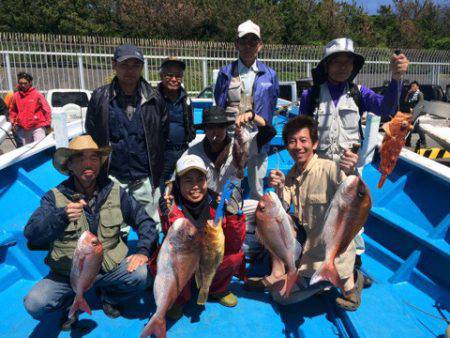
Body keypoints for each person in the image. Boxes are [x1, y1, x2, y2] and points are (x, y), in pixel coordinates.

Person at [299, 38, 409, 278]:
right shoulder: (312, 95)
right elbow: (301, 133)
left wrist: (397, 78)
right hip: (319, 169)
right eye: (336, 62)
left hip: (350, 173)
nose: (342, 67)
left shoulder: (360, 93)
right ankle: (318, 267)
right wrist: (305, 164)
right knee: (318, 217)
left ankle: (352, 270)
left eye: (347, 62)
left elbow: (386, 107)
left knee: (352, 222)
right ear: (326, 66)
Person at [23, 135, 158, 330]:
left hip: (109, 268)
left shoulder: (115, 191)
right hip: (68, 275)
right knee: (35, 303)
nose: (88, 163)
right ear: (69, 165)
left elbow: (145, 222)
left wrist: (143, 251)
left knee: (143, 275)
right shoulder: (54, 197)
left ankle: (109, 295)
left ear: (101, 163)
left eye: (94, 158)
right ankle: (71, 303)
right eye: (79, 158)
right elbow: (32, 233)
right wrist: (60, 217)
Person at [245, 115, 363, 310]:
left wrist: (352, 171)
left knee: (280, 296)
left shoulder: (330, 168)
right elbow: (282, 208)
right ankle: (296, 276)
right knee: (270, 223)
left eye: (303, 140)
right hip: (310, 250)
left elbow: (354, 192)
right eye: (291, 141)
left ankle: (348, 278)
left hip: (332, 257)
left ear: (315, 144)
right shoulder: (292, 175)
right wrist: (281, 187)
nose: (297, 146)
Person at [85, 44, 168, 232]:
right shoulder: (100, 97)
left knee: (151, 227)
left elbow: (162, 136)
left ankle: (150, 259)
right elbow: (91, 133)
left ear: (142, 67)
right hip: (113, 177)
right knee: (113, 228)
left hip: (145, 178)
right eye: (125, 65)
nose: (130, 70)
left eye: (135, 65)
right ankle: (118, 261)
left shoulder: (155, 98)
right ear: (114, 65)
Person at [154, 154, 246, 320]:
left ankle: (216, 289)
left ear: (206, 181)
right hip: (185, 258)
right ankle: (178, 298)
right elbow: (173, 242)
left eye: (199, 180)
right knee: (163, 260)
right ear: (178, 184)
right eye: (188, 180)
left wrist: (232, 216)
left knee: (235, 256)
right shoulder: (170, 205)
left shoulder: (216, 204)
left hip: (207, 258)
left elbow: (234, 242)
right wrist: (167, 214)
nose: (195, 186)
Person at [214, 19, 279, 200]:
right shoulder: (225, 73)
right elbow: (219, 102)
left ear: (260, 45)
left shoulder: (270, 75)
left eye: (253, 41)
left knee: (257, 188)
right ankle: (227, 221)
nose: (248, 46)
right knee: (226, 184)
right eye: (244, 41)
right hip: (232, 137)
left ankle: (256, 224)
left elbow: (272, 105)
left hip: (259, 137)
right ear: (237, 44)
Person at [157, 57, 195, 189]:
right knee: (160, 190)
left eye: (178, 75)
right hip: (162, 154)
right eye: (169, 75)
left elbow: (190, 124)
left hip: (183, 151)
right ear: (161, 76)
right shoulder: (154, 99)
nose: (174, 79)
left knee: (183, 187)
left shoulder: (186, 99)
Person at [9, 72, 51, 145]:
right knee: (28, 151)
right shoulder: (16, 96)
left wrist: (48, 124)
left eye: (25, 83)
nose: (23, 85)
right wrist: (13, 122)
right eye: (21, 83)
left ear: (30, 83)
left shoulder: (37, 94)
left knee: (40, 147)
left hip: (37, 127)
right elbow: (13, 111)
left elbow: (46, 109)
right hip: (23, 128)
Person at [404, 81, 426, 147]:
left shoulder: (420, 94)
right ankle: (407, 143)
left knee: (419, 128)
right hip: (411, 113)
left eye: (413, 86)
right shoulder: (411, 94)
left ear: (417, 87)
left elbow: (420, 104)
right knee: (408, 127)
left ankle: (423, 142)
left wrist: (414, 111)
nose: (412, 87)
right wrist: (408, 93)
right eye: (411, 86)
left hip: (417, 113)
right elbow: (405, 101)